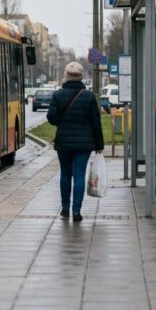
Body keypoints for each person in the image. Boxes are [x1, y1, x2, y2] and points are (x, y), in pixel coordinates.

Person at [47, 62, 105, 222]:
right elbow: (96, 122)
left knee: (65, 174)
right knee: (79, 174)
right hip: (84, 143)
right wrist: (99, 144)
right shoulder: (89, 96)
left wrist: (62, 122)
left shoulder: (58, 95)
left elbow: (51, 118)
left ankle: (65, 209)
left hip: (64, 142)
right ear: (81, 77)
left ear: (66, 76)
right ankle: (77, 211)